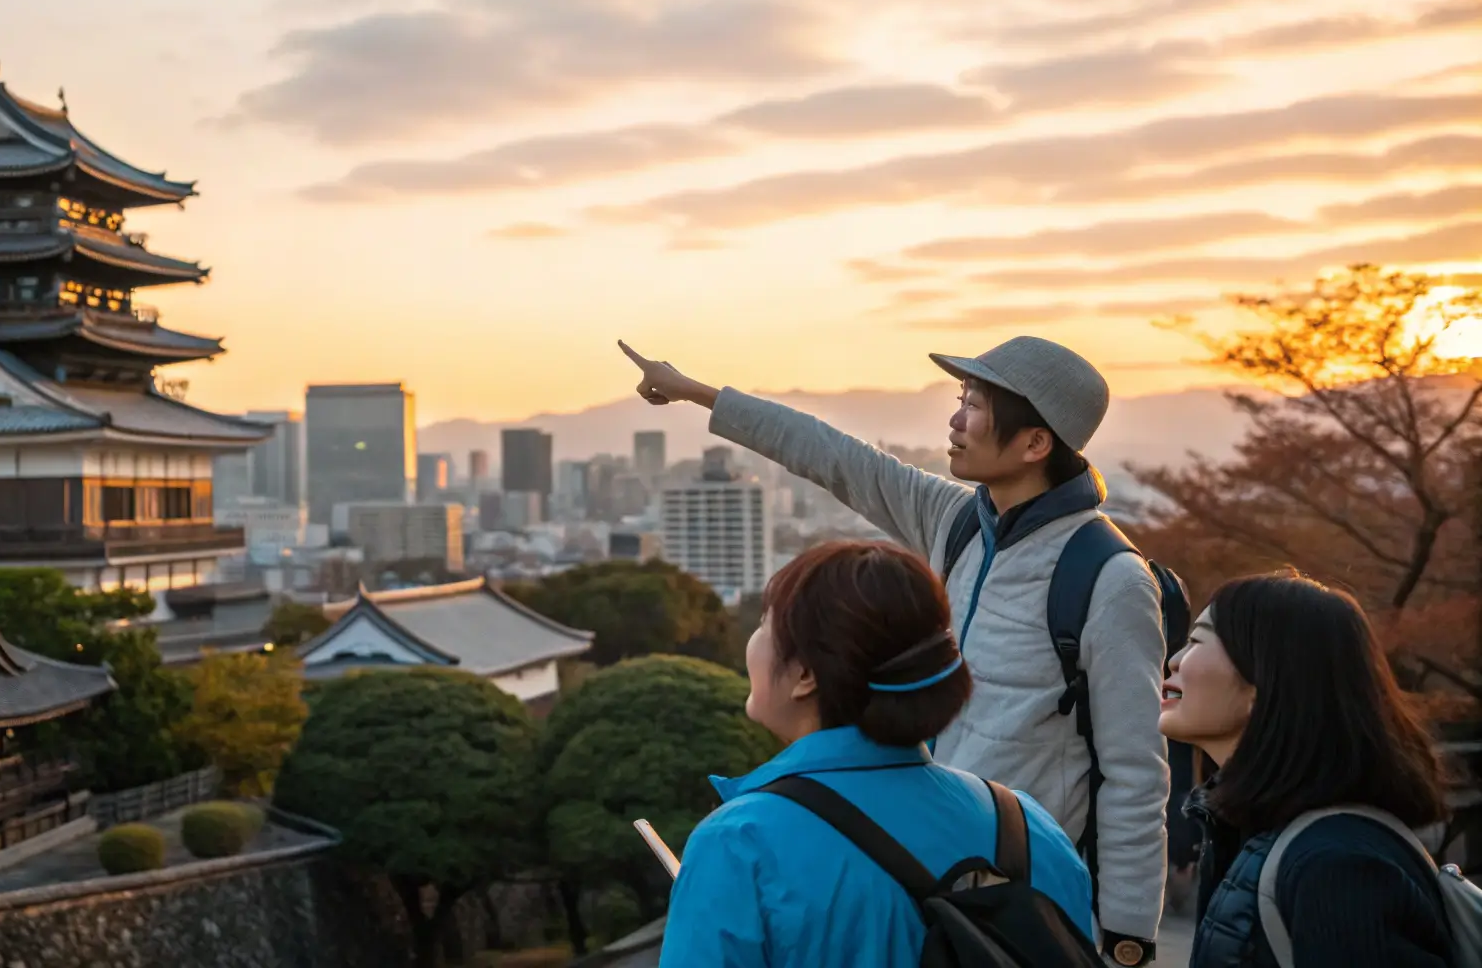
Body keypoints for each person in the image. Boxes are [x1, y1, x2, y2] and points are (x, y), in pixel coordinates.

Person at [620, 337, 1168, 965]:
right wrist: (694, 391)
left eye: (977, 407)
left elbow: (1135, 770)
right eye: (961, 399)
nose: (956, 419)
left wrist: (1127, 940)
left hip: (1019, 881)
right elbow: (836, 458)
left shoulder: (1109, 576)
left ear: (1035, 444)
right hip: (913, 853)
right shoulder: (957, 520)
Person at [661, 539, 1094, 966]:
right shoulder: (1029, 828)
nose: (753, 641)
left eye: (763, 624)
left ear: (806, 674)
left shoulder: (740, 845)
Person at [1161, 570, 1453, 967]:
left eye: (1196, 641)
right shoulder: (1250, 832)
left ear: (1263, 679)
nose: (1174, 660)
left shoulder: (1339, 867)